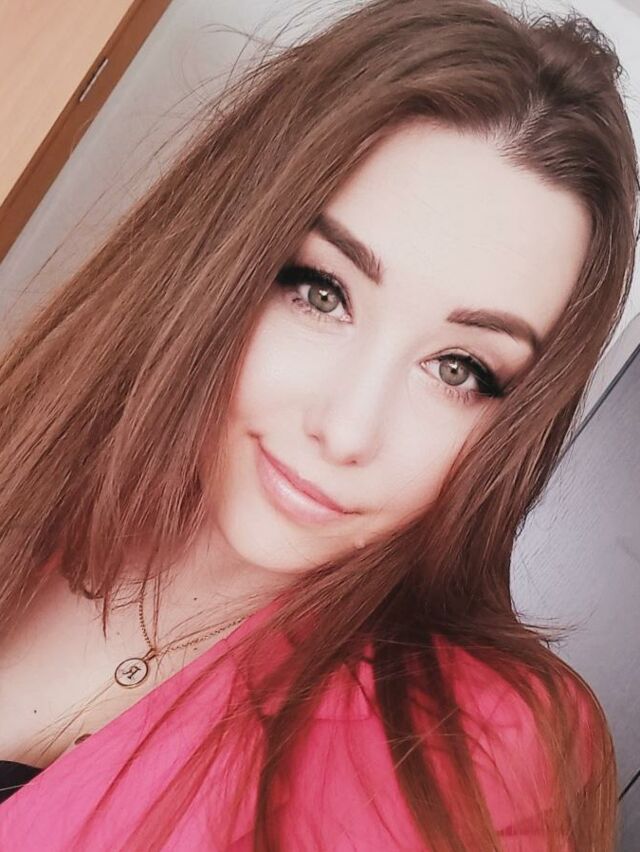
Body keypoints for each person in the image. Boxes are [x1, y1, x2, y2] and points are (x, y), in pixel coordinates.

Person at [0, 0, 637, 848]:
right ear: (220, 252)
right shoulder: (28, 472)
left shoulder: (469, 756)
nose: (347, 430)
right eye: (321, 291)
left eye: (460, 370)